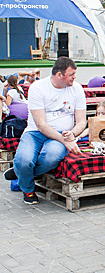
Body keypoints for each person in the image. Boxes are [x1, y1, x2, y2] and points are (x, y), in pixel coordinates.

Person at [4, 57, 86, 205]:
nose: (75, 77)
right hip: (35, 132)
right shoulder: (38, 87)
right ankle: (28, 189)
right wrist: (65, 140)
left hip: (63, 134)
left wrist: (72, 134)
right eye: (72, 73)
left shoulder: (77, 89)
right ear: (59, 75)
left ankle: (21, 173)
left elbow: (82, 122)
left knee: (51, 157)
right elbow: (41, 124)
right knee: (24, 160)